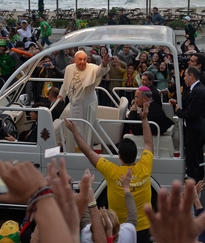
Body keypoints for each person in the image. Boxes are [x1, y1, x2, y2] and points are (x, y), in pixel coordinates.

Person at [65, 98, 153, 243]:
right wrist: (144, 118)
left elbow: (88, 152)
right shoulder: (146, 165)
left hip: (118, 230)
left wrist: (74, 131)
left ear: (119, 156)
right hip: (144, 228)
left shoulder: (111, 171)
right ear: (136, 154)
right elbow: (149, 143)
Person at [169, 66, 205, 182]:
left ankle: (194, 183)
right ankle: (198, 179)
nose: (184, 78)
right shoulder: (196, 89)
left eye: (185, 75)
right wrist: (177, 103)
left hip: (195, 131)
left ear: (191, 76)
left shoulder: (197, 91)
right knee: (197, 157)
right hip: (196, 130)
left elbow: (191, 113)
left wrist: (178, 111)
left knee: (192, 159)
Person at [58, 51, 110, 125]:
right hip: (74, 105)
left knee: (86, 129)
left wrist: (104, 64)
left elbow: (100, 71)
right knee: (74, 127)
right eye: (80, 59)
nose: (82, 62)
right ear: (74, 60)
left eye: (84, 59)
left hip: (87, 106)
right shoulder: (69, 68)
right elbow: (65, 83)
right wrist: (61, 95)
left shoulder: (92, 68)